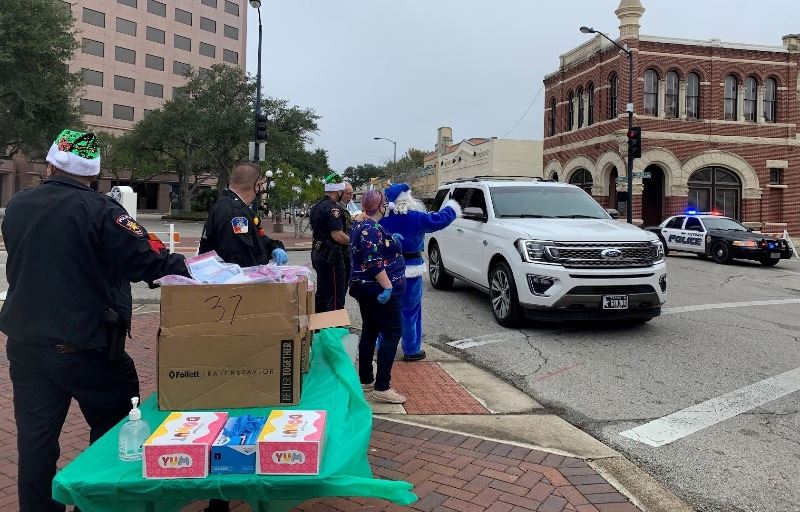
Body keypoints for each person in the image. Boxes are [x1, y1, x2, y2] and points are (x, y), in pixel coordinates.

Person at [0, 129, 188, 512]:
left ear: (51, 163)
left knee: (35, 444)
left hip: (27, 347)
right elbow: (151, 257)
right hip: (88, 348)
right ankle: (99, 503)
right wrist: (200, 269)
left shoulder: (19, 204)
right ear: (93, 172)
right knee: (115, 434)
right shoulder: (103, 211)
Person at [380, 183, 461, 361]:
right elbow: (439, 220)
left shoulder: (381, 220)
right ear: (407, 199)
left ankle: (383, 347)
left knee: (385, 311)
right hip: (412, 271)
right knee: (411, 311)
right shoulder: (416, 217)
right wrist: (452, 207)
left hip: (386, 272)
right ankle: (411, 349)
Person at [349, 189, 407, 404]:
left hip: (366, 288)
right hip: (377, 289)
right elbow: (373, 262)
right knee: (392, 334)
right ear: (381, 206)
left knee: (370, 331)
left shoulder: (362, 225)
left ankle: (366, 379)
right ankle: (382, 386)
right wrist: (388, 287)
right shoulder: (370, 228)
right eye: (385, 203)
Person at [199, 162, 288, 266]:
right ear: (257, 185)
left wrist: (274, 247)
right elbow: (241, 258)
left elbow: (257, 240)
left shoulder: (228, 205)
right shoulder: (236, 214)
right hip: (232, 279)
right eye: (262, 185)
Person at [309, 177, 350, 312]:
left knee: (322, 291)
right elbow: (337, 235)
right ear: (338, 191)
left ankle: (318, 328)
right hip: (330, 256)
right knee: (335, 294)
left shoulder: (316, 206)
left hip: (318, 251)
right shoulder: (334, 209)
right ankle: (334, 330)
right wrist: (354, 241)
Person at [338, 181, 355, 292]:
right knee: (340, 288)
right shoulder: (337, 209)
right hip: (340, 253)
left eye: (352, 194)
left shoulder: (347, 208)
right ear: (340, 193)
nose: (350, 197)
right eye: (348, 193)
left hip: (346, 252)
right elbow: (339, 235)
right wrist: (354, 241)